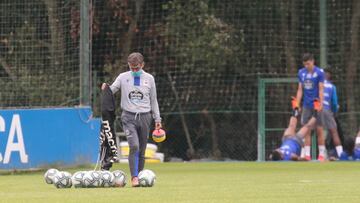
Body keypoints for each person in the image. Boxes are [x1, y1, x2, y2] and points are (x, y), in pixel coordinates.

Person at [103, 52, 162, 187]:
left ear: (142, 65)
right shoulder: (123, 77)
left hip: (145, 117)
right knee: (134, 145)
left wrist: (157, 119)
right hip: (128, 117)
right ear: (128, 65)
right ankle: (134, 177)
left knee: (142, 149)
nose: (134, 70)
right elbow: (112, 90)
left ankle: (140, 176)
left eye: (137, 67)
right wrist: (106, 89)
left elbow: (154, 100)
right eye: (132, 67)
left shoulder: (149, 79)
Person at [296, 53, 325, 161]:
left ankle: (321, 155)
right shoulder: (301, 73)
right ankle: (307, 155)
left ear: (313, 61)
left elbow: (321, 88)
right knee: (306, 129)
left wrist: (321, 103)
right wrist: (297, 104)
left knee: (319, 129)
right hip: (306, 106)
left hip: (316, 105)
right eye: (305, 64)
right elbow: (300, 89)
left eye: (308, 64)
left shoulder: (320, 72)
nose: (306, 66)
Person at [322, 69, 343, 158]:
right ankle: (341, 155)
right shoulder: (332, 86)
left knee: (310, 131)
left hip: (315, 110)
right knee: (334, 132)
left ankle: (317, 155)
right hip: (327, 110)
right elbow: (334, 103)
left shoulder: (316, 84)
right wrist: (334, 111)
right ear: (329, 77)